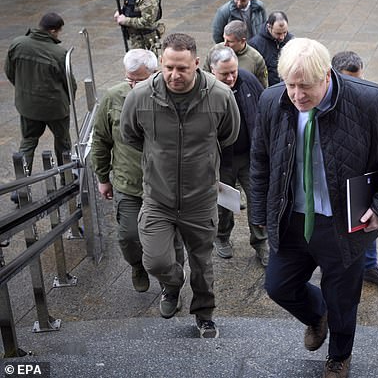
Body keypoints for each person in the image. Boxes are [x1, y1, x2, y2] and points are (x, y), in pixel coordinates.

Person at [251, 38, 378, 377]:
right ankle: (316, 314)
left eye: (305, 86)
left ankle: (339, 356)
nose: (296, 95)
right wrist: (259, 212)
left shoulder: (371, 100)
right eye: (290, 85)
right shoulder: (271, 99)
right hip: (290, 218)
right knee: (278, 286)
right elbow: (261, 159)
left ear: (326, 76)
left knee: (343, 299)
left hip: (343, 222)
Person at [120, 33, 240, 338]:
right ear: (161, 62)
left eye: (183, 68)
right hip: (158, 199)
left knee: (202, 263)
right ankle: (172, 285)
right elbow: (131, 136)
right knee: (156, 260)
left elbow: (229, 135)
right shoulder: (140, 97)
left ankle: (204, 314)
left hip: (200, 199)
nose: (175, 74)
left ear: (197, 64)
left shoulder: (220, 95)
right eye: (169, 67)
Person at [91, 49, 185, 292]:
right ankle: (137, 265)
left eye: (139, 80)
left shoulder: (173, 98)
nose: (133, 85)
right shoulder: (113, 98)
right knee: (129, 236)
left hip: (165, 187)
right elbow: (101, 139)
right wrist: (102, 177)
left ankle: (171, 286)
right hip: (128, 183)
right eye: (129, 79)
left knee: (171, 242)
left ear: (155, 74)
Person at [330, 50, 378, 290]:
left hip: (362, 176)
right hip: (333, 179)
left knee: (366, 222)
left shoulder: (373, 98)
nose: (357, 86)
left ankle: (369, 266)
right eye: (350, 80)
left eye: (360, 79)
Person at [206, 47, 268, 266]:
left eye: (234, 71)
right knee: (225, 203)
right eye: (225, 74)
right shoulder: (204, 91)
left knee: (257, 198)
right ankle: (222, 237)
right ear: (212, 71)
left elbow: (264, 110)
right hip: (222, 161)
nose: (231, 77)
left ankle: (261, 243)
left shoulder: (248, 80)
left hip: (249, 156)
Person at [4, 12, 76, 189]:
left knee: (28, 142)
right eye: (58, 32)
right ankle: (66, 178)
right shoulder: (59, 53)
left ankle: (20, 185)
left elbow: (9, 71)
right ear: (52, 31)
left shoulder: (18, 44)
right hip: (55, 109)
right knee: (63, 142)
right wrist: (68, 102)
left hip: (27, 106)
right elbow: (69, 83)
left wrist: (23, 90)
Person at [203, 20, 268, 88]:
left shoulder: (256, 59)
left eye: (230, 41)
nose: (225, 44)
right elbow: (205, 77)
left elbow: (262, 87)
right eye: (224, 39)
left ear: (242, 41)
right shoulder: (215, 51)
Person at [248, 11, 294, 87]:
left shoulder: (291, 41)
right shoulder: (255, 45)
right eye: (278, 33)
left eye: (285, 32)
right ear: (269, 27)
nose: (282, 37)